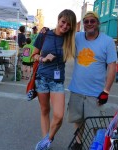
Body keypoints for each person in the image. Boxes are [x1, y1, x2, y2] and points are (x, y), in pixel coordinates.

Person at [67, 11, 117, 149]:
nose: (89, 24)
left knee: (98, 124)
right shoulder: (77, 37)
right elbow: (62, 33)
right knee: (78, 119)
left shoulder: (107, 41)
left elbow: (112, 66)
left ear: (97, 23)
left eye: (92, 21)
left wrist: (106, 91)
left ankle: (98, 145)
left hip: (96, 92)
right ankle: (78, 142)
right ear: (84, 24)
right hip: (76, 89)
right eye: (86, 21)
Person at [33, 9, 76, 150]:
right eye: (63, 22)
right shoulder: (45, 34)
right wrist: (43, 59)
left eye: (68, 25)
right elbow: (33, 55)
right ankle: (45, 143)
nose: (65, 26)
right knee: (45, 110)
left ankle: (48, 138)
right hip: (42, 78)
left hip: (57, 81)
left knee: (58, 116)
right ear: (58, 19)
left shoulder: (70, 39)